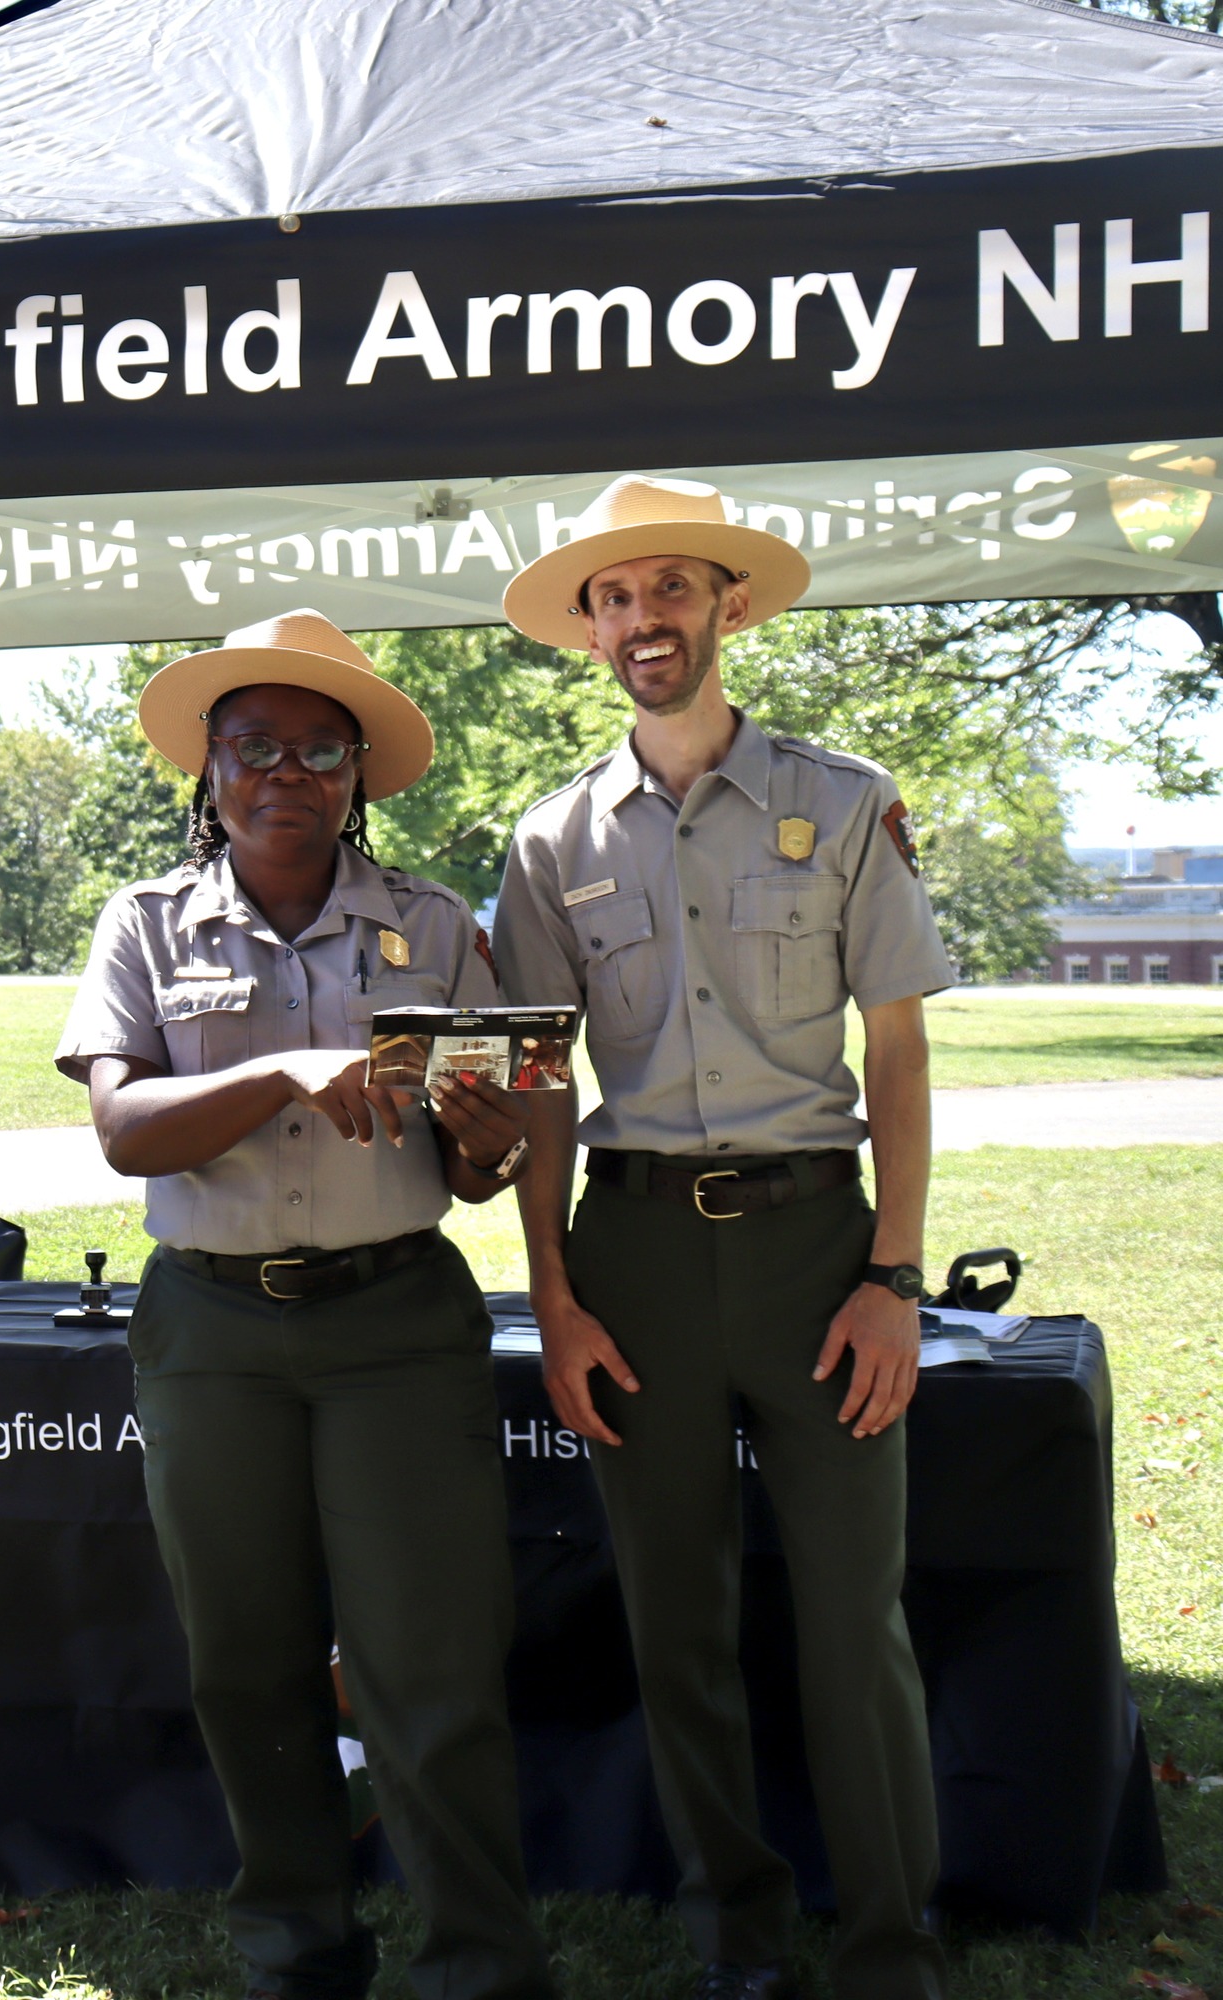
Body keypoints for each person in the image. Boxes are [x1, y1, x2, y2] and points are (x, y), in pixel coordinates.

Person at [491, 476, 952, 2000]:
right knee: (675, 1621)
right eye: (615, 600)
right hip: (631, 1259)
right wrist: (552, 1298)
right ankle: (734, 1942)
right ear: (591, 630)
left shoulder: (847, 797)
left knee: (849, 1617)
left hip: (816, 1252)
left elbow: (896, 1053)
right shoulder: (552, 841)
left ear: (727, 607)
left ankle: (891, 1950)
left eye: (671, 590)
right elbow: (542, 1086)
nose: (644, 622)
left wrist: (896, 1278)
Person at [54, 610, 553, 2000]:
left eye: (320, 749)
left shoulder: (439, 928)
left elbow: (471, 1173)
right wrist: (284, 1072)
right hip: (213, 1333)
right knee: (249, 1665)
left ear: (358, 777)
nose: (286, 770)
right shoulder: (145, 924)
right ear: (207, 769)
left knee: (430, 1664)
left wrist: (489, 1126)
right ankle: (297, 1953)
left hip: (394, 1325)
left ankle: (478, 1968)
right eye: (253, 745)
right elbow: (126, 1129)